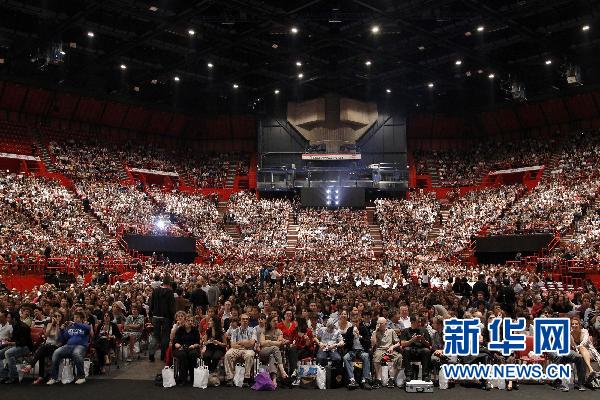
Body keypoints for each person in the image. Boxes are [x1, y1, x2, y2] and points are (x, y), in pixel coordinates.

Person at [47, 311, 91, 385]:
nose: (75, 319)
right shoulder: (70, 328)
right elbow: (62, 339)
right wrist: (61, 330)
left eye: (77, 317)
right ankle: (53, 377)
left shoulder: (85, 326)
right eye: (74, 317)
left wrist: (75, 324)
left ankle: (81, 377)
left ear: (81, 319)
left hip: (80, 346)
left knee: (76, 353)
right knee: (56, 352)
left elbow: (88, 328)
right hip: (68, 346)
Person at [21, 311, 63, 384]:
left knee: (42, 348)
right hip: (46, 346)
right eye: (55, 316)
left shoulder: (62, 326)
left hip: (56, 347)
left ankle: (31, 366)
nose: (57, 318)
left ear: (61, 317)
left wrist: (57, 325)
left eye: (59, 316)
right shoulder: (49, 324)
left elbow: (57, 338)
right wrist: (51, 325)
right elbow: (46, 336)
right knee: (42, 351)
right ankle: (40, 376)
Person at [224, 313, 256, 387]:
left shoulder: (252, 330)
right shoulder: (235, 331)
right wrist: (245, 343)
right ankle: (230, 378)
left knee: (249, 355)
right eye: (243, 319)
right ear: (240, 321)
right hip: (237, 349)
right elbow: (232, 345)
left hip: (248, 350)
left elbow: (252, 343)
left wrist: (241, 342)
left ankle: (246, 378)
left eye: (246, 319)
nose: (245, 321)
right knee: (228, 354)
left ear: (248, 321)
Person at [0, 311, 32, 384]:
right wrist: (8, 340)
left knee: (8, 353)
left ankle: (14, 377)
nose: (7, 319)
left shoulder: (23, 327)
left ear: (14, 319)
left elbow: (23, 343)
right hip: (17, 345)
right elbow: (15, 339)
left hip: (26, 347)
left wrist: (10, 342)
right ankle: (3, 375)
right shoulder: (14, 326)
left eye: (8, 318)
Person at [149, 275, 175, 362]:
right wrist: (173, 317)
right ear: (169, 283)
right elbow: (171, 307)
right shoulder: (170, 292)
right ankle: (163, 356)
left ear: (162, 282)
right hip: (166, 317)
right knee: (165, 337)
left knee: (155, 336)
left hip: (155, 316)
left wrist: (150, 314)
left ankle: (151, 355)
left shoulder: (155, 290)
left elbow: (151, 303)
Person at [343, 310, 372, 390]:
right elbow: (347, 344)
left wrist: (360, 336)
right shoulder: (349, 330)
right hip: (353, 350)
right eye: (353, 322)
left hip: (362, 351)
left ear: (359, 322)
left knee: (366, 356)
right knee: (345, 358)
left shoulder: (364, 329)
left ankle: (365, 380)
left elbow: (368, 342)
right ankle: (352, 380)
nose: (355, 323)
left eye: (356, 322)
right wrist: (352, 336)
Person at [371, 317, 402, 388]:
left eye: (380, 323)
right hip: (380, 349)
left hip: (390, 349)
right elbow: (373, 344)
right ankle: (378, 379)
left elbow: (398, 343)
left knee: (399, 357)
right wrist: (375, 331)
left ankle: (392, 379)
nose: (379, 325)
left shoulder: (391, 331)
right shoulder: (375, 332)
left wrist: (392, 347)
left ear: (385, 324)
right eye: (378, 323)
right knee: (376, 356)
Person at [259, 315, 289, 387]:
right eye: (274, 321)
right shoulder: (264, 331)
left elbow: (279, 344)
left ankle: (274, 380)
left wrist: (268, 342)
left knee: (273, 356)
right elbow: (262, 343)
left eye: (277, 321)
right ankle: (282, 371)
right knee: (275, 348)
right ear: (269, 322)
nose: (276, 322)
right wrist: (272, 343)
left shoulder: (279, 332)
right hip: (264, 352)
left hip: (274, 353)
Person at [400, 315, 432, 382]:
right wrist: (412, 340)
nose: (420, 323)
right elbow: (402, 343)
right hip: (410, 350)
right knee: (406, 350)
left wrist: (423, 340)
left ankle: (425, 375)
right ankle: (408, 375)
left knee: (426, 351)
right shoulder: (406, 331)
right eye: (418, 322)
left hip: (421, 350)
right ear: (412, 322)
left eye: (420, 322)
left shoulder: (424, 330)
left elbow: (429, 345)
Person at [173, 315, 201, 386]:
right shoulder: (180, 329)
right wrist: (179, 345)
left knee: (193, 354)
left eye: (192, 321)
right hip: (181, 348)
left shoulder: (195, 330)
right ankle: (183, 378)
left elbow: (198, 343)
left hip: (192, 348)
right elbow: (175, 342)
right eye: (188, 320)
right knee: (182, 355)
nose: (190, 322)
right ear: (185, 321)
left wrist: (194, 345)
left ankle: (193, 377)